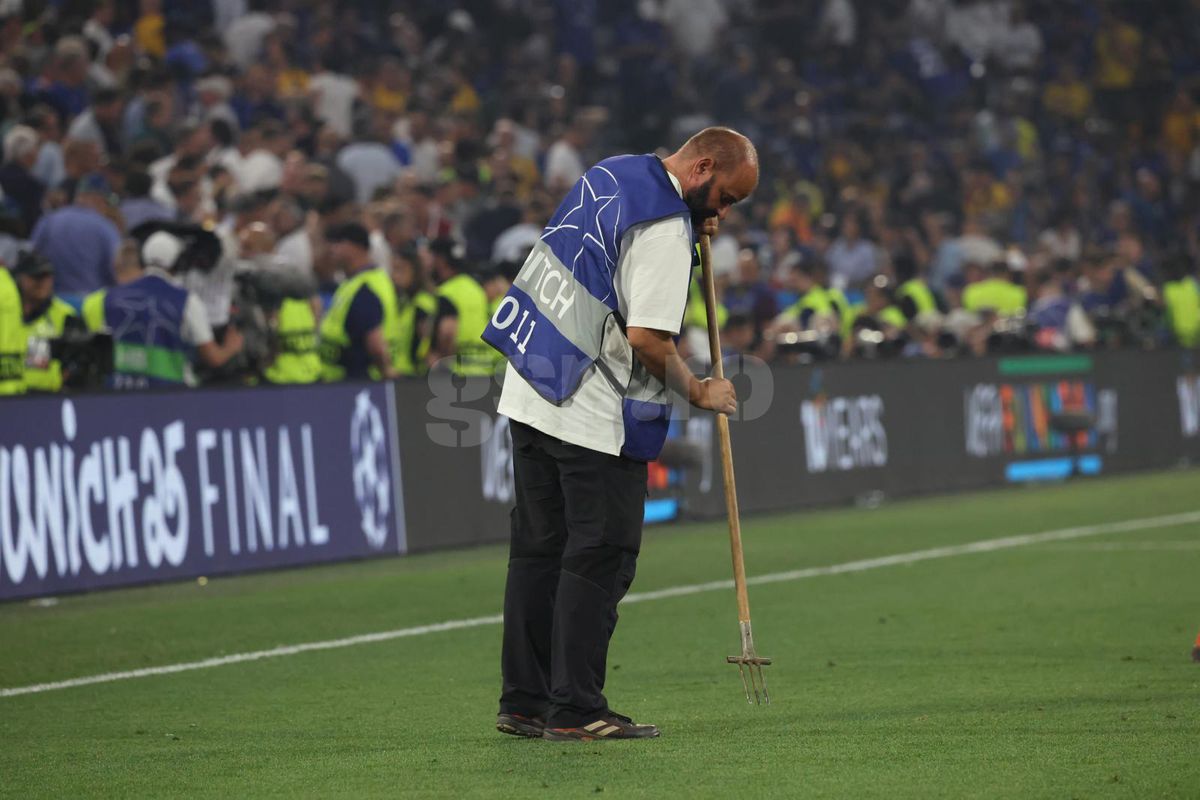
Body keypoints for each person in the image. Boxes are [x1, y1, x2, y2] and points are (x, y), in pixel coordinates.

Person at [483, 126, 755, 741]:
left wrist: (695, 223)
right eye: (726, 198)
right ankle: (577, 709)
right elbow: (649, 339)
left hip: (530, 385)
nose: (723, 214)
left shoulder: (614, 173)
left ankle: (525, 702)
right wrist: (700, 390)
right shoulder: (663, 227)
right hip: (590, 406)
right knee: (599, 557)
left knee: (537, 553)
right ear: (703, 166)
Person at [82, 229, 244, 389]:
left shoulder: (109, 297)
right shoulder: (186, 300)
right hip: (170, 395)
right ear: (178, 262)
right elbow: (213, 357)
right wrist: (231, 347)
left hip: (118, 392)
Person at [318, 222, 399, 381]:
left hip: (357, 381)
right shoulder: (354, 282)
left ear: (354, 247)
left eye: (338, 244)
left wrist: (385, 372)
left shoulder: (365, 288)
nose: (332, 250)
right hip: (340, 379)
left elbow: (375, 343)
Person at [30, 173, 122, 295]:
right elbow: (117, 269)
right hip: (90, 304)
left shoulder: (49, 220)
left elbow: (32, 257)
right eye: (106, 202)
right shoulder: (105, 228)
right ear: (99, 199)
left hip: (53, 303)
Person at [428, 236, 492, 375]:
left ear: (441, 261)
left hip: (458, 375)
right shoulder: (477, 288)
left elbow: (447, 333)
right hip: (483, 371)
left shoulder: (447, 291)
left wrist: (438, 362)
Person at [0, 250, 58, 395]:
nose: (42, 282)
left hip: (42, 397)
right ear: (20, 278)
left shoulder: (62, 314)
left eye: (47, 276)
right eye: (36, 276)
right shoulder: (7, 303)